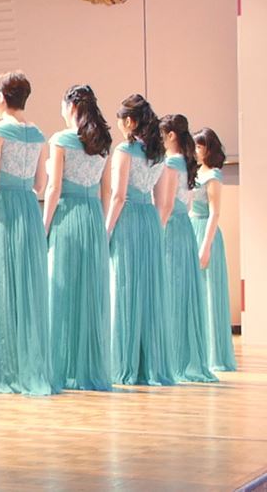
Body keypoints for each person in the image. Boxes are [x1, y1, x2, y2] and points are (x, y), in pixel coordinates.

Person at [0, 72, 57, 396]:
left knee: (1, 284)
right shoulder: (38, 135)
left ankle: (3, 369)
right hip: (29, 209)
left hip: (4, 208)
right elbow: (40, 184)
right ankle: (28, 366)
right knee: (26, 286)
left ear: (1, 97)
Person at [43, 85, 112, 391]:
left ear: (71, 106)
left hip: (68, 216)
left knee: (61, 289)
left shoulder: (60, 140)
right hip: (93, 216)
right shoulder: (103, 142)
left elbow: (53, 188)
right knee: (88, 292)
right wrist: (104, 227)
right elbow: (106, 191)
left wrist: (44, 226)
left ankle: (61, 366)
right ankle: (87, 366)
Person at [106, 95, 174, 386]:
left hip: (129, 218)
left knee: (124, 288)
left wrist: (106, 231)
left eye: (120, 120)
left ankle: (124, 363)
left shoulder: (124, 150)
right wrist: (153, 230)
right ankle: (148, 364)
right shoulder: (158, 154)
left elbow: (118, 196)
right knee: (148, 292)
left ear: (129, 121)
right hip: (149, 221)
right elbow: (163, 203)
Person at [157, 115, 218, 383]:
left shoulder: (172, 162)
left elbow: (167, 204)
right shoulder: (187, 162)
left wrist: (157, 231)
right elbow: (189, 204)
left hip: (172, 227)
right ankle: (182, 355)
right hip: (185, 229)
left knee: (170, 289)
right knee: (180, 290)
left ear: (171, 135)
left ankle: (173, 357)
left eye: (162, 134)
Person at [191, 128, 237, 371]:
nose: (195, 151)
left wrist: (205, 246)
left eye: (199, 146)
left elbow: (214, 213)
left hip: (205, 233)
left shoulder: (213, 175)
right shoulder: (196, 171)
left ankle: (213, 354)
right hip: (192, 228)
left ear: (209, 149)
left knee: (208, 292)